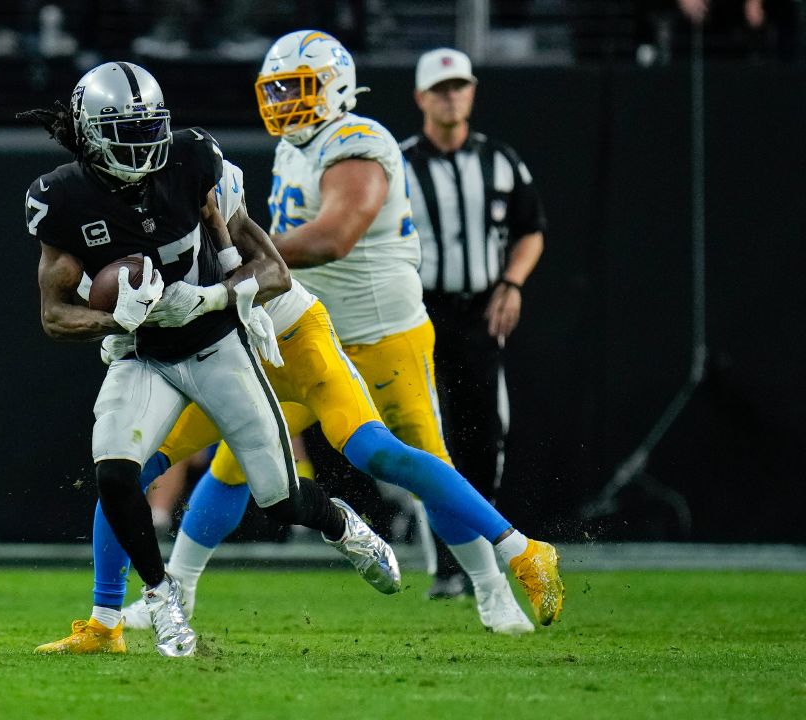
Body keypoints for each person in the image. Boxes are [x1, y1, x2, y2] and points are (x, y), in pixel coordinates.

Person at [116, 31, 564, 635]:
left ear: (337, 86)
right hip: (310, 334)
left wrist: (237, 270)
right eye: (274, 89)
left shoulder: (359, 141)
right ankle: (180, 590)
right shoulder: (294, 146)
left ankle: (492, 589)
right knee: (235, 458)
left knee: (424, 461)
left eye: (296, 88)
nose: (282, 101)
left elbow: (332, 238)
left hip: (384, 336)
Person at [21, 61, 402, 657]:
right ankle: (160, 596)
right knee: (115, 471)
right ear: (94, 133)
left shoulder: (195, 160)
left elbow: (273, 270)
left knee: (282, 499)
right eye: (128, 130)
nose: (145, 144)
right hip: (144, 355)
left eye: (151, 128)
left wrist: (211, 296)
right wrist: (118, 320)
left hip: (217, 342)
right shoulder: (63, 196)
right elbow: (55, 314)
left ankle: (342, 525)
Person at [400, 47, 547, 598]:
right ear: (420, 98)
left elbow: (533, 227)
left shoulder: (500, 160)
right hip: (420, 311)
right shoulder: (397, 163)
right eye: (440, 89)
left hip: (481, 307)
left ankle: (478, 552)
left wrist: (511, 284)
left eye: (459, 86)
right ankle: (445, 562)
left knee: (485, 437)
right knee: (427, 436)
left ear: (473, 92)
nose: (450, 96)